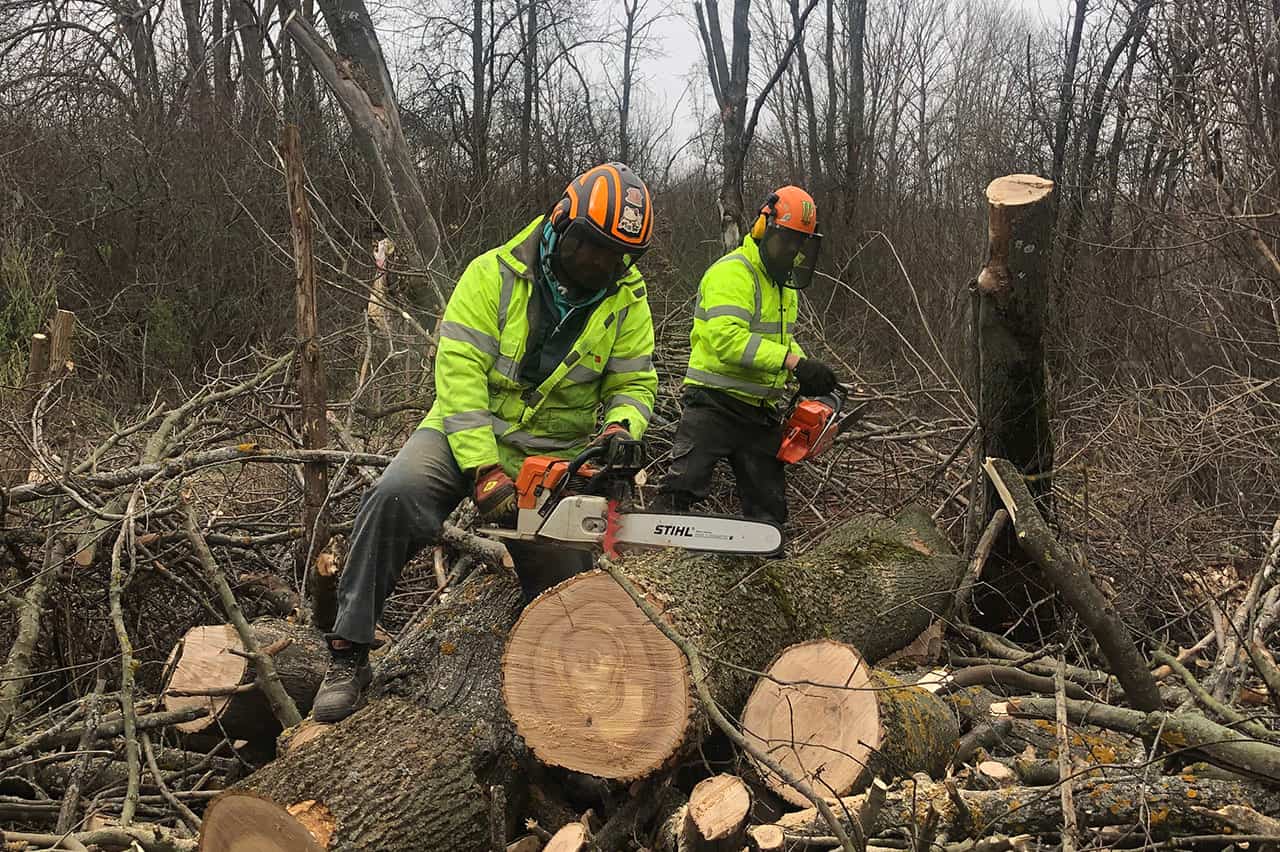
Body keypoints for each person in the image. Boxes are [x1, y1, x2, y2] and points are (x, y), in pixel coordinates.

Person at [313, 163, 659, 723]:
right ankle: (348, 652)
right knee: (396, 494)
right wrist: (483, 471)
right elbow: (459, 377)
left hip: (551, 455)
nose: (599, 264)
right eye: (591, 248)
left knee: (568, 594)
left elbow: (634, 382)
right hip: (467, 431)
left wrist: (622, 428)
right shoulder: (491, 275)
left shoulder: (626, 301)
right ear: (560, 223)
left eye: (614, 256)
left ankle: (566, 712)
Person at [657, 185, 838, 531]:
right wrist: (791, 363)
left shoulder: (783, 286)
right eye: (786, 240)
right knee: (682, 489)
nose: (791, 251)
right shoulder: (733, 273)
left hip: (759, 411)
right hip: (714, 403)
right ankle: (649, 553)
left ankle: (760, 569)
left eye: (799, 244)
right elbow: (728, 339)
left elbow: (778, 341)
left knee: (768, 511)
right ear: (762, 228)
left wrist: (807, 368)